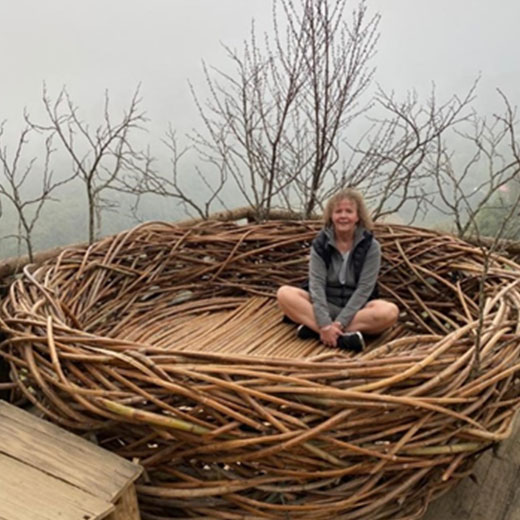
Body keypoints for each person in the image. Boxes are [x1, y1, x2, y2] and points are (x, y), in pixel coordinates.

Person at [277, 188, 399, 352]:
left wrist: (340, 321)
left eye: (349, 211)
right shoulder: (320, 244)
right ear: (331, 216)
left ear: (357, 216)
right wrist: (324, 323)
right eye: (338, 211)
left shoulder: (371, 246)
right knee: (285, 294)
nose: (343, 216)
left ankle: (316, 330)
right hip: (324, 305)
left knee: (389, 312)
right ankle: (337, 335)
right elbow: (316, 285)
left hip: (357, 309)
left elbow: (365, 288)